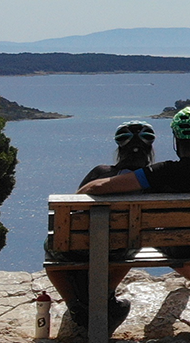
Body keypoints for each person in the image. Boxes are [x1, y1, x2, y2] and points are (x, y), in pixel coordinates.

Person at [78, 105, 190, 294]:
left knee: (159, 235)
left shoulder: (160, 172)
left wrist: (82, 192)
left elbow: (100, 187)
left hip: (178, 247)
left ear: (176, 138)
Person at [47, 120, 159, 331]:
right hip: (120, 252)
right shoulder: (157, 179)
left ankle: (75, 306)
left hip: (79, 249)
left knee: (51, 247)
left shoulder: (100, 173)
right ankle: (105, 295)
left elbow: (74, 208)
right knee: (135, 242)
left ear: (119, 148)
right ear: (150, 148)